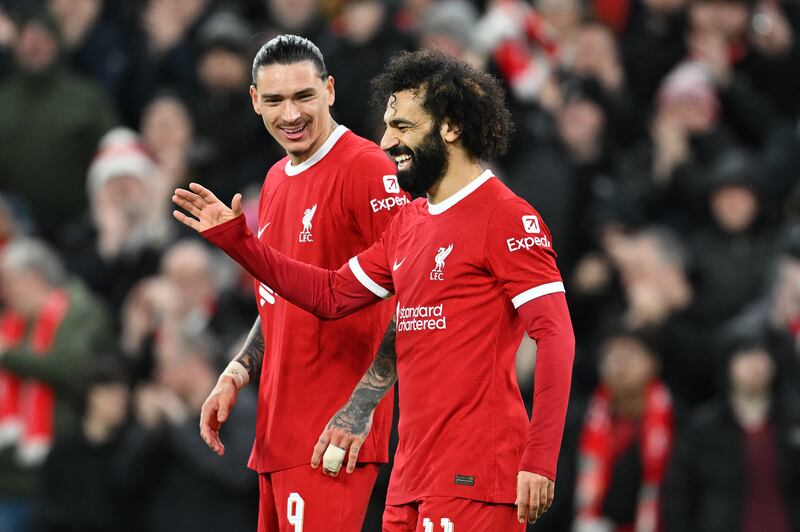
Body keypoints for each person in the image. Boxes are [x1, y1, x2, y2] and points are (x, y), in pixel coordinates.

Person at [173, 49, 575, 528]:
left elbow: (556, 337)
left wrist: (540, 459)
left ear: (449, 127)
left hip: (476, 474)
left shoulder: (507, 216)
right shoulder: (410, 222)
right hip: (411, 478)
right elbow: (330, 295)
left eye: (402, 126)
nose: (387, 141)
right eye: (388, 125)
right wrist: (237, 241)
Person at [188, 35, 409, 531]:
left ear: (329, 90)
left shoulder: (368, 168)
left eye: (303, 96)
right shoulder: (275, 179)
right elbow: (282, 296)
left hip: (331, 436)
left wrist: (360, 408)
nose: (290, 114)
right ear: (253, 101)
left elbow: (412, 297)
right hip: (278, 433)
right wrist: (237, 373)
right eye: (274, 100)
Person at [663, 338, 800, 532]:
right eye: (744, 357)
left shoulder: (792, 420)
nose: (754, 366)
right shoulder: (703, 428)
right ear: (728, 366)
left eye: (760, 357)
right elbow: (680, 494)